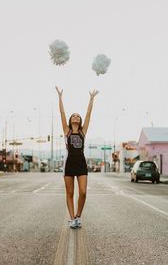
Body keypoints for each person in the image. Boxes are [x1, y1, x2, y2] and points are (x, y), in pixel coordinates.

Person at [55, 86, 99, 229]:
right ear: (70, 120)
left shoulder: (83, 131)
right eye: (73, 115)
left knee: (83, 192)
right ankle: (72, 218)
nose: (76, 117)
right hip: (69, 164)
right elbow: (61, 112)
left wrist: (91, 99)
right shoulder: (67, 131)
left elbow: (88, 114)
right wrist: (60, 98)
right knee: (69, 193)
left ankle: (78, 216)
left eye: (77, 116)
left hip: (81, 164)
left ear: (79, 121)